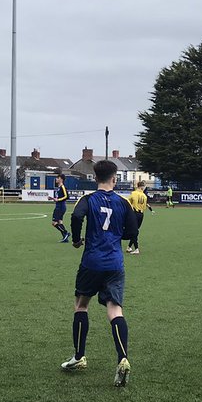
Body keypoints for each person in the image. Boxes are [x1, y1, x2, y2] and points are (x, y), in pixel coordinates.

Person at [61, 159, 139, 386]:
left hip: (92, 262)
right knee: (115, 311)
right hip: (115, 263)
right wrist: (117, 236)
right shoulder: (123, 203)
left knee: (81, 304)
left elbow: (76, 217)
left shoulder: (88, 200)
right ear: (114, 179)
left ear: (95, 178)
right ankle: (123, 358)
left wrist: (77, 240)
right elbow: (133, 230)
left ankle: (78, 356)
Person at [125, 179, 153, 254]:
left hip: (134, 213)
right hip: (141, 214)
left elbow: (127, 202)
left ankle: (135, 248)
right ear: (142, 187)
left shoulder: (133, 193)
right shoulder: (144, 196)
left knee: (134, 231)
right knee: (136, 231)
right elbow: (144, 206)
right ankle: (129, 247)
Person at [50, 175, 70, 243]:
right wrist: (53, 199)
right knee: (60, 222)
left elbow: (67, 196)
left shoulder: (62, 187)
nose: (56, 179)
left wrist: (58, 200)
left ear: (61, 179)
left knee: (54, 223)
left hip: (60, 207)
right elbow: (59, 198)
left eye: (57, 178)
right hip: (59, 206)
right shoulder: (59, 188)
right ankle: (65, 238)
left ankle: (66, 233)